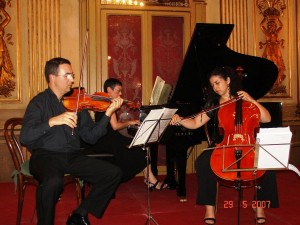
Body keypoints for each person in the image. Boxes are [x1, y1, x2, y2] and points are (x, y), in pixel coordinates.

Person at [20, 57, 123, 225]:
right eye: (67, 75)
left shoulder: (77, 103)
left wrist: (107, 114)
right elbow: (25, 136)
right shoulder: (38, 103)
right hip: (45, 156)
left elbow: (90, 137)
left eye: (72, 75)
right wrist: (52, 121)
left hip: (72, 156)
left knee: (113, 173)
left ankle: (79, 214)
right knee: (53, 182)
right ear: (52, 77)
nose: (72, 80)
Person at [170, 66, 279, 225]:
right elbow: (194, 123)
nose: (215, 87)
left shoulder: (244, 100)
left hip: (247, 144)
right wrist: (180, 119)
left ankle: (259, 206)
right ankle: (209, 208)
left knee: (267, 162)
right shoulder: (213, 103)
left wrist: (252, 101)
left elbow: (267, 119)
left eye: (217, 82)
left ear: (228, 81)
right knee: (202, 162)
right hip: (222, 145)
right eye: (212, 84)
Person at [83, 78, 167, 190]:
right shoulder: (108, 104)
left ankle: (149, 178)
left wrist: (129, 122)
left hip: (105, 137)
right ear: (109, 90)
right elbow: (115, 126)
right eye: (118, 90)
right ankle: (150, 179)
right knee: (139, 146)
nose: (121, 93)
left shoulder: (105, 102)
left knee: (138, 145)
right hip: (106, 140)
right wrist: (129, 122)